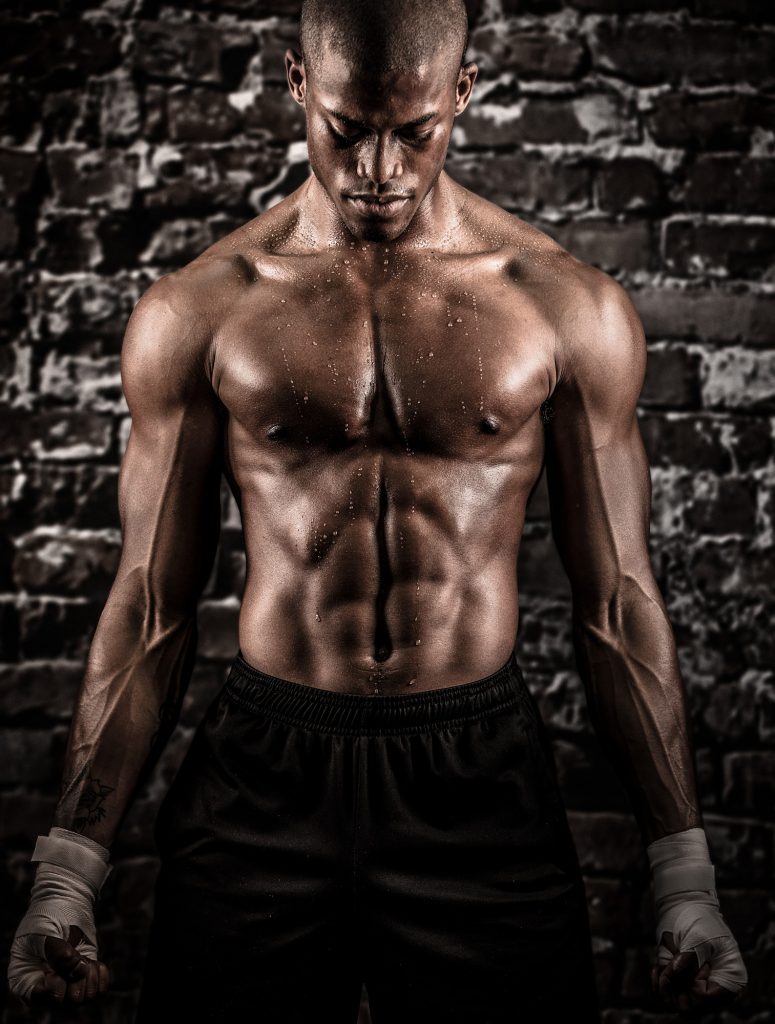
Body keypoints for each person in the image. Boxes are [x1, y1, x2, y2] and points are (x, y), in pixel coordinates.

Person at [8, 0, 749, 1021]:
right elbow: (149, 602)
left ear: (464, 92)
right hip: (264, 775)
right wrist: (69, 869)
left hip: (476, 780)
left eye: (416, 132)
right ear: (298, 86)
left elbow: (616, 597)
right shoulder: (202, 308)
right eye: (347, 130)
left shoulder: (563, 307)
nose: (378, 170)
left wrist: (683, 878)